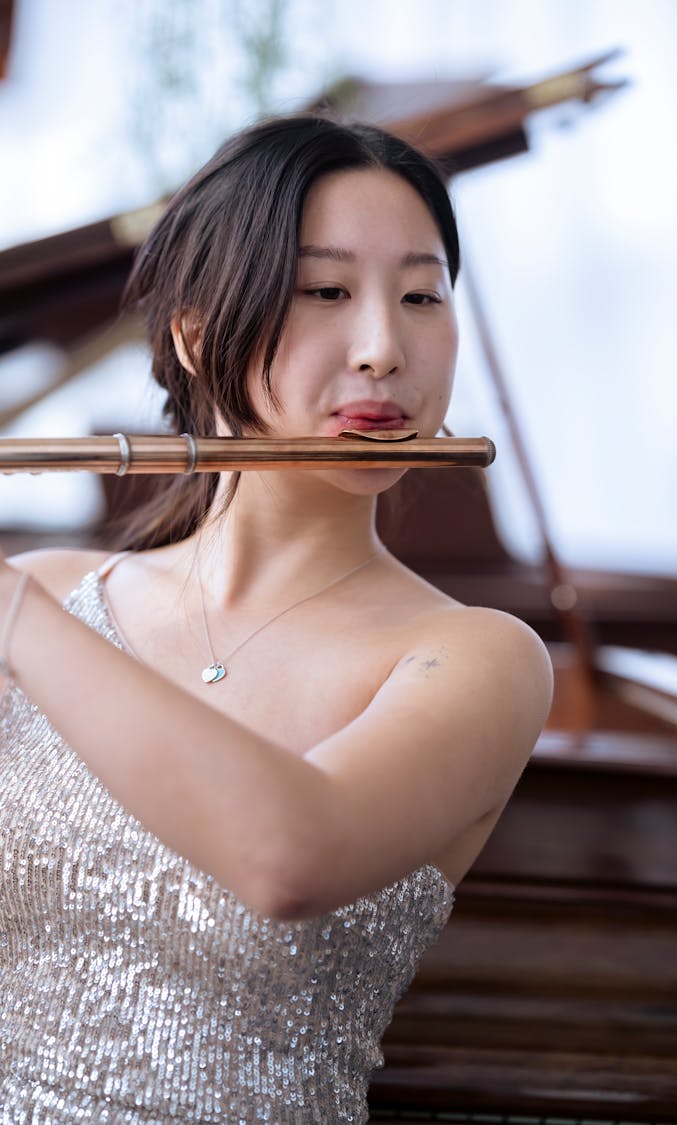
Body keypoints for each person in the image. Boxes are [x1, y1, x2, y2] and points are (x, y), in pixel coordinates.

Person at [0, 114, 552, 1123]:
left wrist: (12, 611)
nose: (384, 349)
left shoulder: (476, 659)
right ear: (198, 333)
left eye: (422, 297)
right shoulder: (52, 592)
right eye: (328, 293)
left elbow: (290, 857)